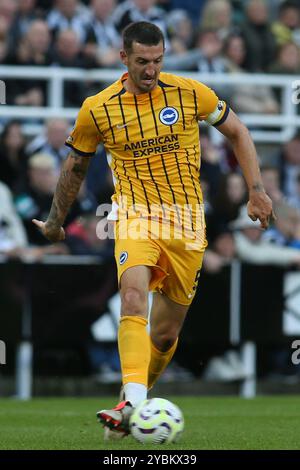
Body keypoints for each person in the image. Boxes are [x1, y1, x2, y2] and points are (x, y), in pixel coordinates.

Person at [32, 21, 274, 439]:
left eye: (158, 60)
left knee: (164, 334)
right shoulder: (98, 107)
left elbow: (239, 132)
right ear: (123, 58)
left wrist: (256, 192)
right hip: (135, 216)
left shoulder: (189, 92)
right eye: (143, 61)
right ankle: (135, 403)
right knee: (131, 296)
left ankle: (131, 405)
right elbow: (75, 167)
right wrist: (56, 221)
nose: (151, 70)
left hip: (186, 223)